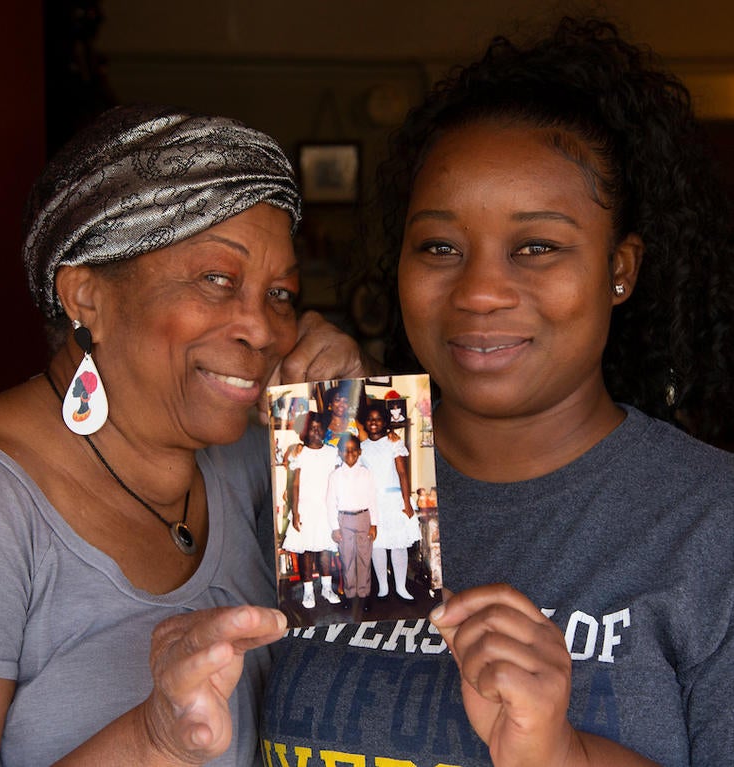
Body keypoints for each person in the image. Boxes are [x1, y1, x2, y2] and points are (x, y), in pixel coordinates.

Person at [261, 17, 734, 767]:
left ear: (620, 268)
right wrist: (330, 419)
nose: (479, 291)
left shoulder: (710, 525)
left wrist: (558, 751)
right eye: (439, 247)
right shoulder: (333, 460)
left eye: (536, 246)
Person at [0, 104, 368, 767]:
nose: (265, 329)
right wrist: (153, 738)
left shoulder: (251, 457)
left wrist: (342, 408)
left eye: (279, 293)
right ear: (85, 297)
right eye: (217, 279)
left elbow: (368, 642)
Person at [280, 411, 342, 608]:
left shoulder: (332, 453)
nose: (315, 431)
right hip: (305, 508)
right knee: (306, 550)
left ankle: (326, 588)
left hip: (326, 509)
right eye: (311, 428)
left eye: (319, 427)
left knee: (326, 551)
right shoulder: (299, 453)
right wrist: (296, 512)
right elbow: (295, 485)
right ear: (304, 432)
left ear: (325, 430)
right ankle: (308, 591)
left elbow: (338, 482)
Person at [360, 402, 420, 600]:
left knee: (398, 543)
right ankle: (383, 587)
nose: (374, 422)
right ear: (365, 423)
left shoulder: (394, 442)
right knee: (377, 544)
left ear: (385, 421)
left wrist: (407, 502)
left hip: (394, 499)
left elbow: (402, 473)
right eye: (370, 419)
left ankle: (401, 587)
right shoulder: (361, 448)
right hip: (373, 502)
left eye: (378, 419)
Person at [326, 433, 378, 612]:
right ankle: (350, 594)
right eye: (346, 450)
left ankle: (363, 595)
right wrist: (335, 528)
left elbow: (372, 499)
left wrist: (374, 524)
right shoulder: (335, 476)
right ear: (339, 453)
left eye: (354, 450)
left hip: (364, 518)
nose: (350, 453)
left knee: (364, 558)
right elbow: (330, 502)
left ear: (359, 451)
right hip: (344, 520)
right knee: (348, 559)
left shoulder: (367, 474)